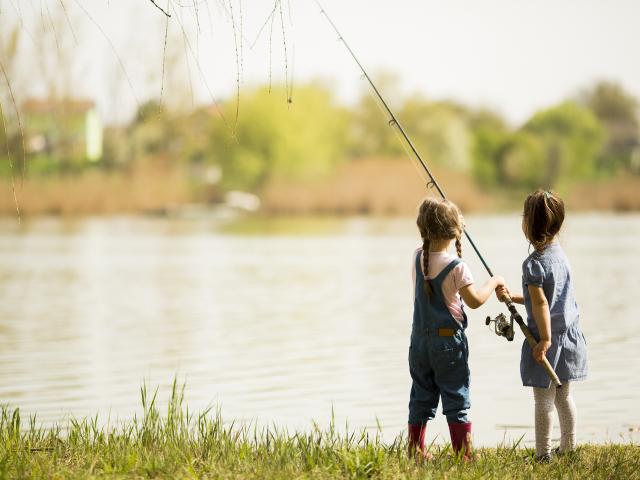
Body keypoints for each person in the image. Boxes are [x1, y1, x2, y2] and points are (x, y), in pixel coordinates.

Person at [408, 197, 504, 460]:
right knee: (456, 398)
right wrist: (494, 281)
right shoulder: (457, 267)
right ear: (454, 231)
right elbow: (474, 301)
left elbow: (433, 240)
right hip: (448, 346)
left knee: (421, 395)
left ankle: (415, 451)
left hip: (418, 345)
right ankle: (463, 454)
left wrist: (453, 224)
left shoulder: (419, 258)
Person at [496, 189, 588, 462]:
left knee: (543, 400)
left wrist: (544, 340)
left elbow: (542, 306)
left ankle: (543, 455)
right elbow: (544, 299)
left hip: (548, 341)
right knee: (563, 395)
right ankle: (568, 448)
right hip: (569, 337)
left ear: (528, 224)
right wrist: (512, 297)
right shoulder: (560, 255)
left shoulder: (533, 265)